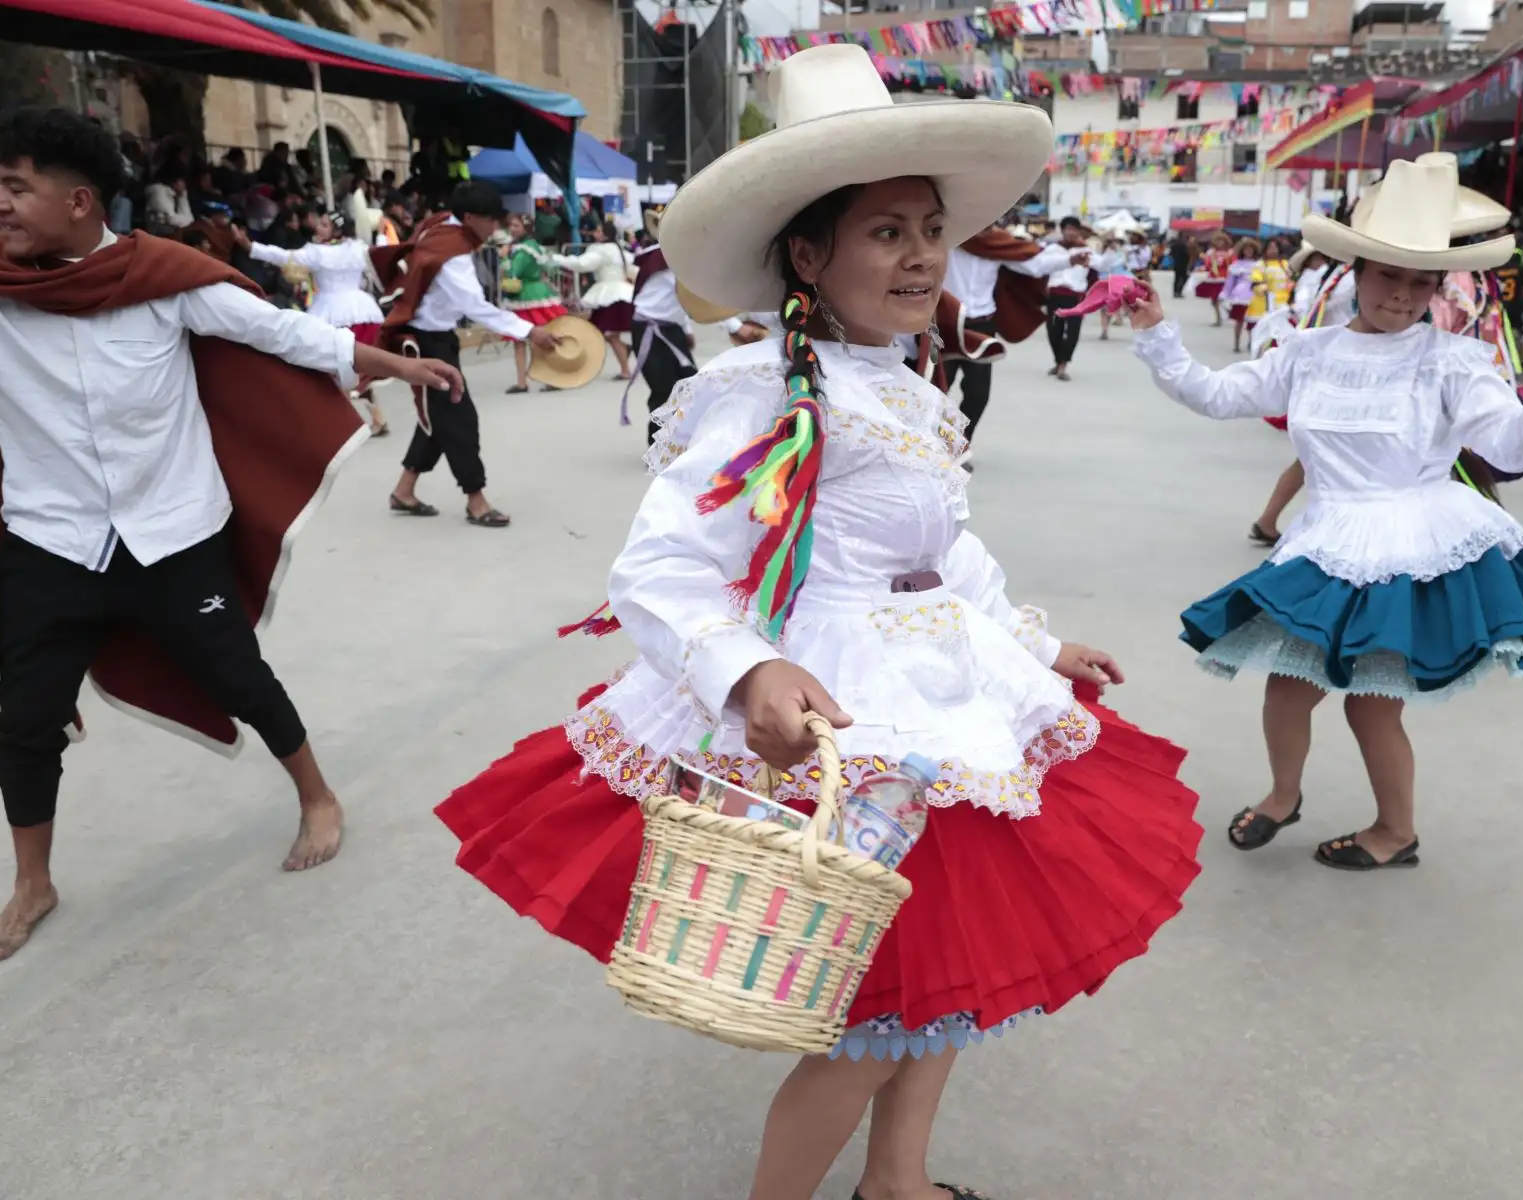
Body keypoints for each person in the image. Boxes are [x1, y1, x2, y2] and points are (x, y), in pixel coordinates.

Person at [432, 45, 1201, 1200]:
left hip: (951, 707)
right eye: (887, 232)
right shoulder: (755, 392)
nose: (923, 255)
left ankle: (898, 1181)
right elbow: (661, 569)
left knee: (943, 980)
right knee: (855, 1026)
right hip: (842, 727)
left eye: (930, 229)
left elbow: (946, 555)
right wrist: (747, 672)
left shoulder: (912, 383)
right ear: (808, 253)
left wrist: (1038, 646)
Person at [0, 107, 464, 962]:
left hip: (171, 533)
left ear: (78, 201)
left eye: (15, 187)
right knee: (23, 725)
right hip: (50, 544)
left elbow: (293, 337)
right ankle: (33, 883)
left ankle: (316, 794)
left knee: (236, 672)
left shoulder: (167, 283)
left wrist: (400, 364)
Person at [1126, 152, 1523, 871]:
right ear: (1354, 272)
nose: (1405, 295)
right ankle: (1283, 796)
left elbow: (1509, 444)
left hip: (1411, 543)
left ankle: (1395, 832)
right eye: (1390, 275)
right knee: (1289, 688)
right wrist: (1158, 332)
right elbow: (1218, 395)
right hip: (1328, 539)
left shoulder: (1451, 360)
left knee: (1371, 703)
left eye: (1423, 281)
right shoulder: (1307, 352)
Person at [373, 179, 567, 529]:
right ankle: (476, 500)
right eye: (490, 219)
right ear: (468, 217)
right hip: (428, 343)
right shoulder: (454, 254)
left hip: (437, 338)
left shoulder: (441, 226)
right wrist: (529, 330)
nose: (495, 226)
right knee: (460, 419)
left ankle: (404, 490)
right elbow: (474, 306)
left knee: (437, 418)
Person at [942, 220, 1088, 455]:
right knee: (935, 390)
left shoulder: (997, 244)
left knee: (978, 394)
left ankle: (959, 444)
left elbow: (1034, 264)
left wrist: (1070, 260)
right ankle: (931, 443)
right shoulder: (946, 238)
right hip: (944, 323)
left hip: (981, 325)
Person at [243, 210, 390, 436]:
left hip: (333, 314)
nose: (318, 228)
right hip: (362, 312)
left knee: (333, 372)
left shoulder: (317, 253)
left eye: (323, 225)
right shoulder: (357, 248)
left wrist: (251, 247)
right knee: (356, 372)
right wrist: (380, 234)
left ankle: (336, 427)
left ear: (336, 231)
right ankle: (374, 420)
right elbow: (382, 254)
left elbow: (283, 256)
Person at [620, 231, 698, 444]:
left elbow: (679, 299)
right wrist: (735, 326)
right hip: (648, 328)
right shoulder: (669, 257)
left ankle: (680, 439)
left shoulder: (682, 257)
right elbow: (694, 296)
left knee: (689, 382)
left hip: (671, 329)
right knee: (664, 388)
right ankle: (659, 445)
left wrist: (686, 329)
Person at [552, 222, 636, 379]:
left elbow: (581, 264)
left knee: (605, 333)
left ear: (604, 234)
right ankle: (625, 362)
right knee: (607, 333)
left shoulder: (600, 251)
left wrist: (557, 259)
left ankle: (624, 368)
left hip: (610, 296)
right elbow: (632, 269)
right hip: (620, 294)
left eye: (598, 230)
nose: (595, 232)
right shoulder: (619, 250)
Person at [497, 212, 568, 395]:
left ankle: (529, 381)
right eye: (511, 225)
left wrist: (504, 258)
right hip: (533, 293)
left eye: (516, 226)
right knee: (527, 340)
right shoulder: (531, 246)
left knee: (528, 341)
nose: (512, 229)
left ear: (525, 228)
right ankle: (534, 380)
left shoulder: (522, 249)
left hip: (526, 297)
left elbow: (513, 273)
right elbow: (548, 267)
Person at [1043, 215, 1090, 380]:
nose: (1070, 232)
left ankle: (1063, 364)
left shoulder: (1086, 251)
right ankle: (1058, 361)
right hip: (1055, 295)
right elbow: (1041, 271)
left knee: (1072, 332)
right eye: (1067, 229)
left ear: (1078, 231)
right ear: (1062, 231)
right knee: (1054, 331)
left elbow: (1096, 272)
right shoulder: (1051, 250)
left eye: (1074, 229)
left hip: (1076, 297)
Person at [1223, 237, 1259, 352]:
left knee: (1253, 321)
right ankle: (1237, 343)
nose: (1248, 252)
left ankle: (1251, 342)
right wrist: (1225, 294)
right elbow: (1230, 282)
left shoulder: (1259, 264)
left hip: (1255, 296)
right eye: (1246, 249)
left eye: (1251, 249)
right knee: (1239, 321)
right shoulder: (1237, 265)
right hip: (1240, 296)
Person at [1195, 231, 1233, 325]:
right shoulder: (1212, 253)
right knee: (1214, 301)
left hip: (1224, 279)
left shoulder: (1229, 253)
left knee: (1220, 299)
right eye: (1218, 241)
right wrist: (1203, 267)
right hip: (1213, 279)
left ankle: (1224, 314)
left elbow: (1232, 266)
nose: (1220, 243)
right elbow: (1208, 265)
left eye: (1222, 241)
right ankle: (1219, 318)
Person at [1169, 230, 1192, 298]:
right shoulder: (1183, 245)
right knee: (1184, 277)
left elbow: (1171, 254)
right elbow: (1186, 255)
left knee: (1177, 278)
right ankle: (1179, 291)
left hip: (1176, 264)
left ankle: (1176, 291)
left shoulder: (1174, 244)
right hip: (1183, 264)